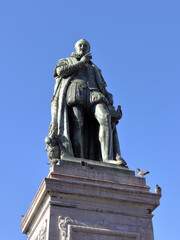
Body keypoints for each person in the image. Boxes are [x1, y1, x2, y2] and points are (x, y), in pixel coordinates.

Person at [46, 39, 124, 165]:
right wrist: (81, 63)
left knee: (105, 117)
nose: (82, 47)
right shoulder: (66, 60)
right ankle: (79, 159)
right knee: (78, 124)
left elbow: (103, 86)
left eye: (85, 45)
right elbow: (60, 71)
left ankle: (107, 158)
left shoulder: (94, 68)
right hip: (76, 91)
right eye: (80, 45)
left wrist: (109, 96)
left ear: (88, 49)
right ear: (76, 48)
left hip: (94, 93)